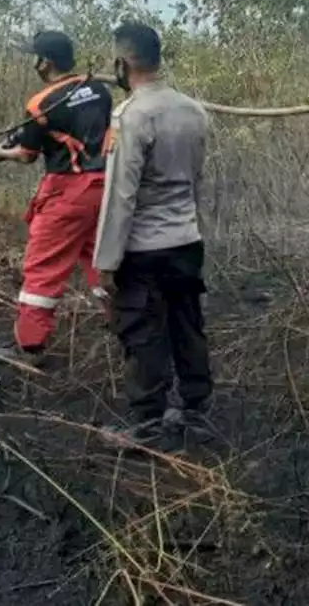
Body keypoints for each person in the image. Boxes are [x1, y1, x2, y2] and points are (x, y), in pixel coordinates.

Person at [93, 22, 214, 450]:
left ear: (122, 64)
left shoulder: (130, 116)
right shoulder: (193, 110)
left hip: (144, 250)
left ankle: (145, 430)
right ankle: (196, 412)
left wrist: (106, 262)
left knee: (143, 333)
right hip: (186, 242)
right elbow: (197, 181)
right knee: (187, 325)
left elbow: (120, 196)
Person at [0, 30, 112, 366]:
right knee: (100, 259)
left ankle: (29, 346)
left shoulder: (41, 103)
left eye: (36, 57)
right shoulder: (99, 90)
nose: (35, 63)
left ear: (46, 62)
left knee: (42, 267)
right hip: (106, 188)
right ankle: (126, 321)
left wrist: (0, 153)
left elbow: (27, 154)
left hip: (68, 193)